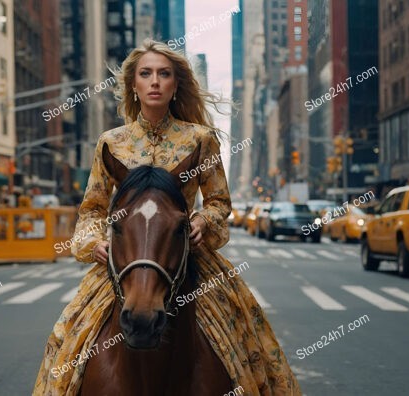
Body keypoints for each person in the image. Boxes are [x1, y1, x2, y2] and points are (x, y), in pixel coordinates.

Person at [32, 39, 301, 394]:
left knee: (251, 345)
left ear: (176, 85)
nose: (155, 81)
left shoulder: (200, 139)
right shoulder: (111, 142)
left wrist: (204, 221)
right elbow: (93, 209)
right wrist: (94, 242)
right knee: (64, 340)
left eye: (164, 74)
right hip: (126, 259)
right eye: (146, 74)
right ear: (134, 85)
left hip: (186, 258)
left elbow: (219, 202)